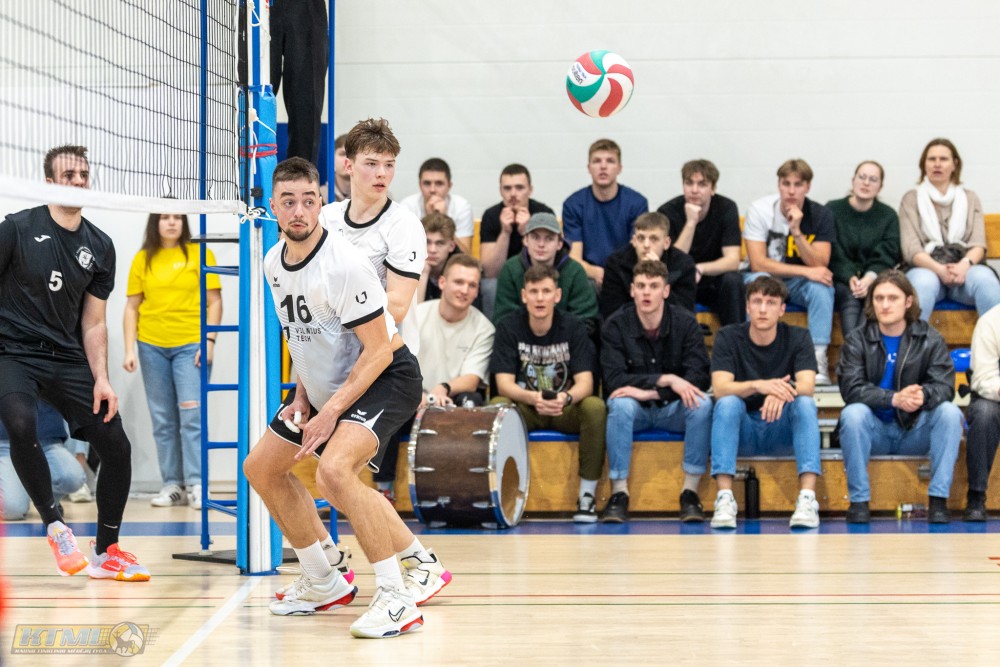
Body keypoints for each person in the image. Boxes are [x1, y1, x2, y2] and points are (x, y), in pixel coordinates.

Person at [242, 157, 450, 638]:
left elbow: (378, 351)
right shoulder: (273, 262)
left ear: (321, 204)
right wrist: (302, 394)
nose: (299, 211)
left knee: (335, 473)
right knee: (261, 468)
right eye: (288, 201)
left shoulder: (344, 266)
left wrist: (330, 411)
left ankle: (397, 599)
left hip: (387, 376)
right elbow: (304, 336)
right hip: (330, 386)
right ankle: (322, 580)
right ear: (273, 207)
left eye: (308, 201)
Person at [0, 145, 149, 581]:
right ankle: (55, 527)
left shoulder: (100, 246)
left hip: (66, 356)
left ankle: (107, 551)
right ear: (49, 182)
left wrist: (102, 378)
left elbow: (94, 322)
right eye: (69, 175)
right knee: (21, 423)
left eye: (84, 175)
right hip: (13, 351)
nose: (79, 182)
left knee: (116, 445)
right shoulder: (16, 229)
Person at [836, 270, 961, 524]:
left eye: (892, 298)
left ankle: (938, 501)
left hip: (915, 430)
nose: (884, 305)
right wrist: (894, 399)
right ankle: (859, 502)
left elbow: (945, 386)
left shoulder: (929, 338)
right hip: (875, 432)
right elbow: (851, 388)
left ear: (908, 301)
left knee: (950, 413)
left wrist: (923, 395)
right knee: (852, 414)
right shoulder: (857, 339)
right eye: (879, 298)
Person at [490, 264, 607, 523]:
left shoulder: (574, 327)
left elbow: (586, 383)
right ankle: (499, 492)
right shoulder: (509, 326)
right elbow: (504, 384)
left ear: (557, 295)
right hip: (527, 408)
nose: (540, 298)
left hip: (564, 408)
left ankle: (587, 496)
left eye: (546, 291)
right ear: (524, 296)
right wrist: (534, 398)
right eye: (534, 292)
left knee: (595, 407)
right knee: (497, 405)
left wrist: (565, 398)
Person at [374, 254, 495, 501]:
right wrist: (415, 393)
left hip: (451, 401)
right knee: (389, 402)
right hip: (413, 396)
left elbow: (472, 379)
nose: (464, 290)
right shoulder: (416, 315)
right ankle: (384, 490)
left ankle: (465, 489)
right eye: (458, 282)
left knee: (472, 402)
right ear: (442, 282)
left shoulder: (484, 328)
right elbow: (396, 364)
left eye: (472, 285)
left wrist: (443, 388)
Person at [122, 212, 222, 510]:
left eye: (177, 217)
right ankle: (172, 485)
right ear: (155, 223)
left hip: (191, 346)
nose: (171, 222)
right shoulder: (143, 259)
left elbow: (215, 301)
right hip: (151, 346)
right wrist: (129, 349)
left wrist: (210, 341)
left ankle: (197, 484)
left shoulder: (200, 253)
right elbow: (132, 307)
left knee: (192, 417)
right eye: (164, 217)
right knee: (163, 420)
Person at [600, 260, 712, 523]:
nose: (646, 293)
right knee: (619, 404)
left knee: (702, 403)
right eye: (640, 286)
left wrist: (654, 393)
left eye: (653, 286)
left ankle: (690, 493)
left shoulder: (685, 322)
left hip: (671, 409)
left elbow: (699, 376)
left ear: (666, 290)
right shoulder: (615, 325)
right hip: (635, 411)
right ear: (632, 291)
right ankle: (619, 494)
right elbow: (614, 380)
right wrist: (666, 379)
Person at [709, 276, 822, 529]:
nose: (762, 309)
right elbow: (720, 388)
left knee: (805, 404)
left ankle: (807, 499)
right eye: (757, 301)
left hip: (780, 429)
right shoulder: (728, 336)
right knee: (727, 403)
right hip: (744, 430)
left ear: (782, 309)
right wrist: (759, 385)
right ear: (747, 307)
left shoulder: (798, 336)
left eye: (771, 302)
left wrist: (780, 391)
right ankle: (725, 499)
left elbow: (807, 385)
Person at [319, 118, 427, 355]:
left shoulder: (404, 224)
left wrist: (331, 303)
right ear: (348, 166)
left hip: (390, 359)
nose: (382, 173)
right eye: (371, 163)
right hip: (335, 355)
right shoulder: (326, 218)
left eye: (389, 165)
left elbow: (397, 307)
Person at [744, 159, 836, 385]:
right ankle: (754, 357)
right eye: (786, 184)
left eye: (798, 184)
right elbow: (757, 263)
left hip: (797, 284)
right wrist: (806, 272)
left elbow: (820, 262)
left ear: (808, 187)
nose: (791, 191)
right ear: (779, 185)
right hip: (768, 278)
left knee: (822, 286)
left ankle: (817, 360)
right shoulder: (760, 210)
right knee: (757, 281)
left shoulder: (820, 214)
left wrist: (796, 231)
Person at [899, 138, 1000, 321]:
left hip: (964, 270)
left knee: (986, 281)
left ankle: (995, 338)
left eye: (943, 159)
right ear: (924, 165)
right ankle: (914, 340)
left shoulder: (970, 198)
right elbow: (911, 249)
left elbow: (978, 244)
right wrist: (940, 270)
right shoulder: (911, 199)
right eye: (932, 159)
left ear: (954, 164)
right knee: (922, 284)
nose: (937, 164)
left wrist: (963, 266)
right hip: (926, 269)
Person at [657, 159, 745, 326]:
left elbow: (733, 261)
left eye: (702, 184)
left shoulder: (726, 208)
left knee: (733, 280)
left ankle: (735, 337)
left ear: (713, 189)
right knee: (666, 282)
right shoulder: (667, 212)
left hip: (711, 278)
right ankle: (679, 339)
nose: (694, 190)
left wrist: (700, 268)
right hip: (680, 280)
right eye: (689, 183)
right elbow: (672, 262)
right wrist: (691, 222)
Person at [493, 212, 599, 336]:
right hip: (521, 342)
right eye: (535, 237)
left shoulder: (575, 271)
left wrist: (555, 340)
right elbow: (503, 319)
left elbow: (586, 320)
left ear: (559, 244)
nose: (541, 244)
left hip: (565, 342)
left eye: (549, 238)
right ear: (526, 240)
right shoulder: (511, 269)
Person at [562, 138, 649, 288]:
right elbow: (574, 259)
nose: (603, 166)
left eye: (610, 161)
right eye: (597, 161)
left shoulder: (637, 203)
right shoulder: (573, 205)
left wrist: (612, 275)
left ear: (619, 168)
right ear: (589, 168)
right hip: (589, 276)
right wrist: (595, 272)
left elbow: (637, 253)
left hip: (625, 274)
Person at [828, 161, 901, 334]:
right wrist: (850, 277)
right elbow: (833, 251)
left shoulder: (888, 215)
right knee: (850, 297)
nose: (866, 183)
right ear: (853, 181)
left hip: (875, 279)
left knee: (874, 297)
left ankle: (857, 349)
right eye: (862, 177)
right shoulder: (832, 210)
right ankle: (856, 347)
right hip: (841, 280)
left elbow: (889, 253)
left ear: (880, 187)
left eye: (873, 179)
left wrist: (869, 278)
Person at [600, 211, 697, 319]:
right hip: (627, 326)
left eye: (654, 239)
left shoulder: (683, 264)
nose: (646, 245)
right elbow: (611, 312)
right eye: (641, 238)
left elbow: (685, 312)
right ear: (634, 240)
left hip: (670, 326)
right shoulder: (616, 263)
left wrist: (659, 273)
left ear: (666, 243)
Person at [0, 401, 85, 521]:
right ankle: (20, 492)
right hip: (5, 442)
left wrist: (80, 452)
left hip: (48, 440)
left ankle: (48, 501)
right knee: (12, 510)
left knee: (73, 478)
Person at [270, 0, 328, 165]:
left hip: (307, 6)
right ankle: (248, 173)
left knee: (306, 103)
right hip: (258, 7)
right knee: (253, 98)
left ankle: (301, 176)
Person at [479, 163, 554, 280]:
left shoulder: (544, 213)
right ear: (500, 191)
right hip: (502, 277)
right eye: (507, 188)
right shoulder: (490, 216)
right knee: (488, 286)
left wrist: (528, 232)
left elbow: (547, 266)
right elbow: (490, 273)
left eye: (519, 188)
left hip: (537, 277)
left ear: (530, 190)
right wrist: (505, 233)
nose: (513, 194)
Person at [962, 303, 1000, 521]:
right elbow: (983, 379)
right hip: (995, 398)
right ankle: (976, 495)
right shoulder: (991, 322)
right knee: (984, 413)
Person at [401, 158, 473, 253]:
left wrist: (443, 219)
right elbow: (404, 251)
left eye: (439, 183)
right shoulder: (407, 206)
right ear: (420, 185)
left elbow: (465, 254)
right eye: (427, 183)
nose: (432, 190)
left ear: (449, 186)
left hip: (450, 260)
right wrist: (430, 219)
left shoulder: (461, 207)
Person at [416, 212, 461, 303]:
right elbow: (412, 311)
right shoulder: (408, 262)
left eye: (440, 243)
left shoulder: (462, 269)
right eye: (427, 242)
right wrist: (423, 274)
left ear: (451, 246)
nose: (432, 250)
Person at [330, 134, 350, 202]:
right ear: (332, 158)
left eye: (352, 154)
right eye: (343, 154)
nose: (347, 159)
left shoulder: (369, 195)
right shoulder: (321, 194)